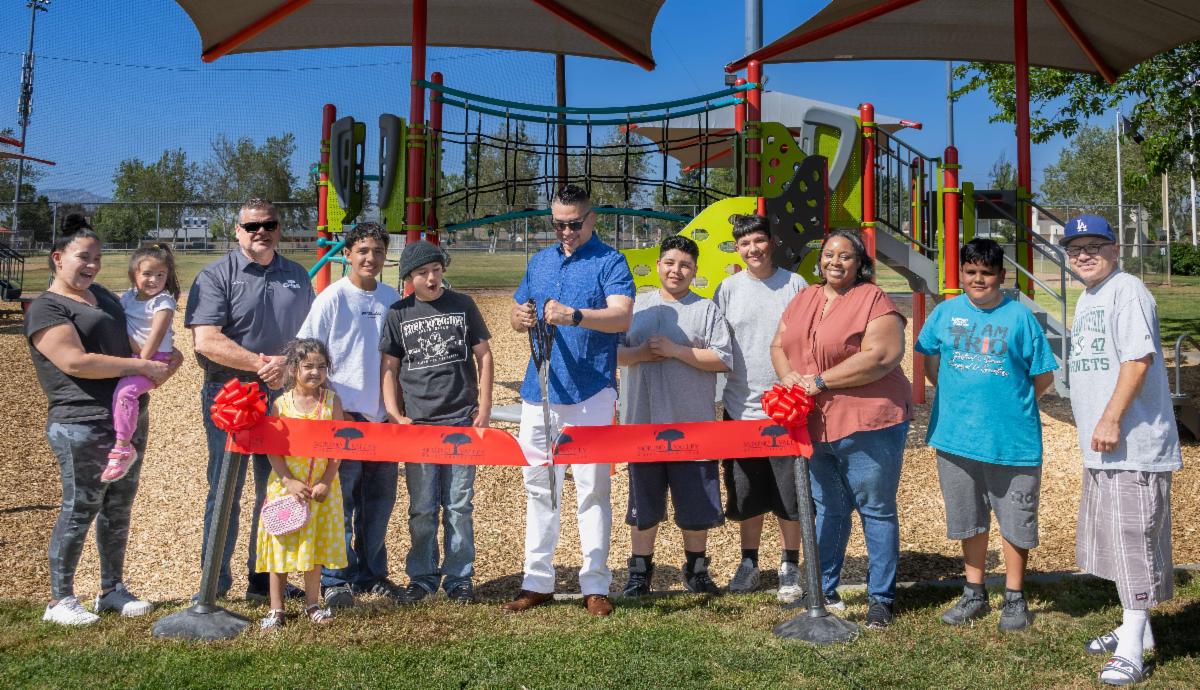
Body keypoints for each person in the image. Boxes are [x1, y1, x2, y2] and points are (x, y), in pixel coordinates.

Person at [27, 223, 182, 625]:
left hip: (126, 422)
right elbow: (75, 361)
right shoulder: (47, 307)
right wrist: (141, 366)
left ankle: (112, 589)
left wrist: (165, 362)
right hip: (81, 422)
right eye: (83, 257)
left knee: (118, 509)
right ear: (58, 258)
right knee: (80, 508)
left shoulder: (104, 299)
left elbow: (141, 338)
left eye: (97, 258)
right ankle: (60, 600)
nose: (92, 265)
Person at [1059, 215, 1182, 686]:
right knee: (1114, 542)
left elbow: (1137, 360)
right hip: (1105, 448)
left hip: (1134, 444)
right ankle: (1141, 629)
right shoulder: (1092, 295)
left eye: (1094, 245)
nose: (1083, 255)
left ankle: (1132, 649)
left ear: (1115, 250)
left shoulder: (1127, 289)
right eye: (1075, 249)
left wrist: (1110, 418)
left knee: (1134, 541)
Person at [770, 229, 911, 629]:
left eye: (845, 256)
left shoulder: (874, 300)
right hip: (815, 423)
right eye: (830, 254)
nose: (836, 261)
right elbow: (779, 345)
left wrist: (819, 382)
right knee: (828, 507)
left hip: (868, 421)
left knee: (876, 509)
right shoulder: (805, 297)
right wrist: (793, 380)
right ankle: (824, 591)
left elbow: (881, 356)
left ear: (860, 263)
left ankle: (880, 599)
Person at [915, 238, 1057, 631]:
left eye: (987, 273)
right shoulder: (945, 313)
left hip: (1012, 440)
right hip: (956, 437)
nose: (978, 279)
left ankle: (1014, 598)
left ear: (1001, 276)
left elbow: (1042, 375)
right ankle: (974, 592)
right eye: (971, 272)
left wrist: (1008, 403)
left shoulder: (1020, 317)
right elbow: (930, 359)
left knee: (1016, 520)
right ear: (961, 273)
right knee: (970, 519)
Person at [505, 184, 634, 617]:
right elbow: (516, 308)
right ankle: (537, 581)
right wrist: (519, 317)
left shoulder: (611, 261)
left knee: (593, 489)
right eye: (558, 223)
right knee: (539, 487)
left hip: (591, 393)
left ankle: (595, 583)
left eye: (574, 224)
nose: (565, 231)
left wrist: (575, 315)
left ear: (591, 218)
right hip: (538, 391)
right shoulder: (539, 261)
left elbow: (621, 317)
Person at [184, 198, 315, 601]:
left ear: (279, 228)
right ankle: (215, 585)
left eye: (269, 224)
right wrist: (263, 364)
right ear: (237, 231)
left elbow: (310, 334)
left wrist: (287, 364)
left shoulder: (296, 275)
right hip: (231, 395)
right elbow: (206, 341)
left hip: (283, 396)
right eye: (252, 225)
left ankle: (263, 582)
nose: (261, 231)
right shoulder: (215, 276)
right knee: (224, 488)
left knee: (274, 488)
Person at [617, 235, 732, 596]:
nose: (676, 270)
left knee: (695, 506)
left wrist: (676, 350)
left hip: (692, 425)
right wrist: (640, 355)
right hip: (642, 424)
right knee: (643, 506)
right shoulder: (636, 307)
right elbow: (614, 355)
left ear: (695, 270)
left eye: (684, 265)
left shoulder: (706, 309)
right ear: (658, 265)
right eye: (669, 262)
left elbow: (722, 359)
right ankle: (640, 572)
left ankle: (696, 569)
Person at [380, 240, 493, 604]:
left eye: (436, 271)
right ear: (409, 278)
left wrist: (485, 408)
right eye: (422, 273)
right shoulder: (399, 312)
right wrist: (396, 414)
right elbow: (389, 368)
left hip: (461, 420)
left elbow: (484, 356)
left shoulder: (462, 305)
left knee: (459, 506)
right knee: (423, 508)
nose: (431, 278)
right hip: (420, 426)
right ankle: (423, 576)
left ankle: (459, 577)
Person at [296, 223, 402, 608]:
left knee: (378, 503)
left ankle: (373, 574)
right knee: (341, 502)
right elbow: (307, 349)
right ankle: (335, 577)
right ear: (349, 254)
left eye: (376, 251)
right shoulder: (332, 298)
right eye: (362, 251)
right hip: (345, 415)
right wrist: (318, 403)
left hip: (384, 418)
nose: (370, 258)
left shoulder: (393, 298)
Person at [712, 214, 807, 601]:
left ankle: (790, 564)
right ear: (738, 249)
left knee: (790, 495)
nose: (753, 249)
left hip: (786, 409)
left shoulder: (795, 285)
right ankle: (749, 562)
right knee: (746, 494)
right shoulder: (728, 289)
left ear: (771, 241)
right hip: (741, 407)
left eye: (758, 241)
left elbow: (805, 340)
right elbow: (717, 343)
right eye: (744, 244)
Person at [256, 338, 347, 629]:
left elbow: (339, 447)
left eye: (321, 366)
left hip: (321, 489)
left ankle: (312, 604)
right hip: (286, 489)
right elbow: (274, 448)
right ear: (294, 368)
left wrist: (326, 481)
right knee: (280, 546)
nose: (315, 372)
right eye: (308, 366)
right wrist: (288, 481)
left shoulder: (332, 402)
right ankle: (276, 608)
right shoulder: (280, 405)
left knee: (314, 547)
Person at [103, 244, 180, 483]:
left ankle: (123, 448)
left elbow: (152, 343)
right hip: (135, 356)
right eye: (147, 274)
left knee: (126, 393)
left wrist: (137, 357)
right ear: (133, 275)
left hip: (152, 358)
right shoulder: (128, 297)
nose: (153, 280)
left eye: (160, 275)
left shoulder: (163, 303)